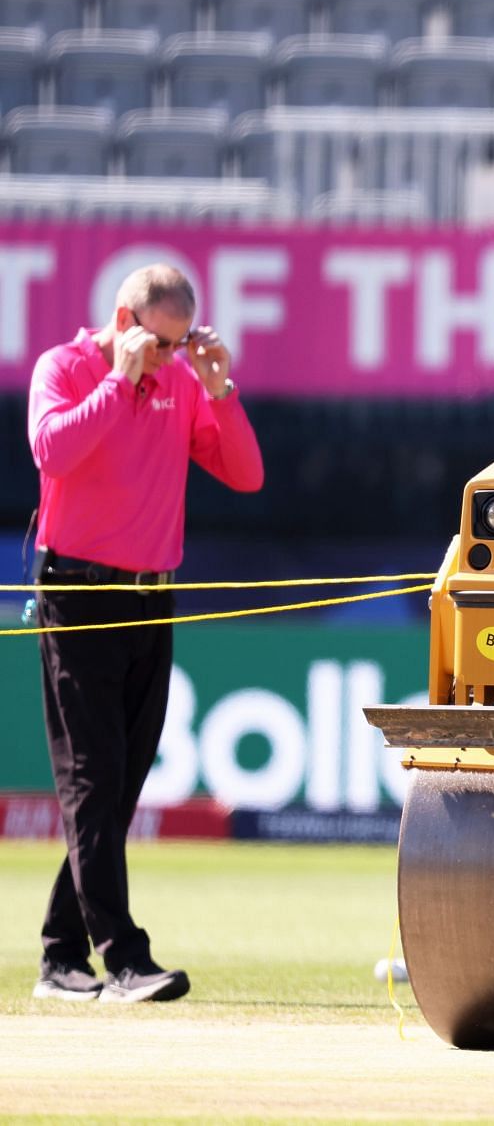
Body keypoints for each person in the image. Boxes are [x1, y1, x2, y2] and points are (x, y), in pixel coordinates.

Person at [25, 264, 264, 1003]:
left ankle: (60, 956)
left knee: (120, 785)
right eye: (161, 343)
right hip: (79, 596)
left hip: (152, 599)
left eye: (182, 342)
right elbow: (53, 453)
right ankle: (122, 957)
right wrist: (116, 384)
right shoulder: (64, 368)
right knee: (93, 779)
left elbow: (246, 474)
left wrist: (220, 389)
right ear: (125, 323)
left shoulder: (182, 383)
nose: (171, 356)